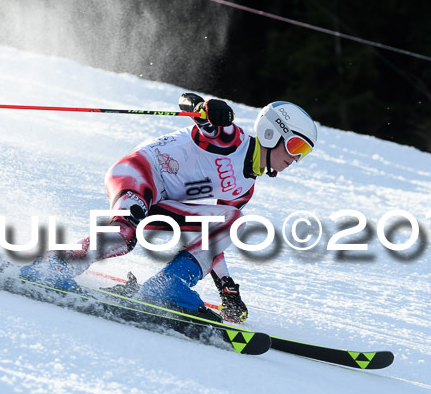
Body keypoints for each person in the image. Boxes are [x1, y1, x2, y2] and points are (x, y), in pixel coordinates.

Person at [21, 93, 317, 323]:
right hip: (138, 174)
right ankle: (53, 266)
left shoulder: (244, 188)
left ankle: (168, 286)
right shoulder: (230, 138)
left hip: (163, 203)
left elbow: (213, 238)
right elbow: (194, 109)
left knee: (233, 220)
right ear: (271, 134)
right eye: (294, 147)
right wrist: (207, 109)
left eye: (302, 153)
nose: (295, 159)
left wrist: (226, 288)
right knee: (124, 235)